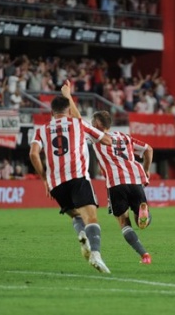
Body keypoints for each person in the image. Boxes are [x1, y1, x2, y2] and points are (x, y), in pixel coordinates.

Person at [29, 80, 113, 274]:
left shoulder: (41, 130)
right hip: (78, 178)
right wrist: (69, 95)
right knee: (91, 218)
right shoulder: (78, 123)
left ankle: (82, 234)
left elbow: (33, 154)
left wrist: (44, 179)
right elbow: (106, 140)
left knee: (75, 215)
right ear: (68, 111)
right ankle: (96, 255)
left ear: (51, 113)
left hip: (56, 184)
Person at [90, 110, 154, 264]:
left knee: (123, 222)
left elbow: (78, 118)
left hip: (116, 182)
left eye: (93, 121)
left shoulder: (97, 136)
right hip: (135, 178)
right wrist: (146, 169)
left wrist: (68, 97)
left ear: (98, 124)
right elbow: (148, 149)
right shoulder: (124, 137)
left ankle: (144, 255)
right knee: (140, 215)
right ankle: (142, 215)